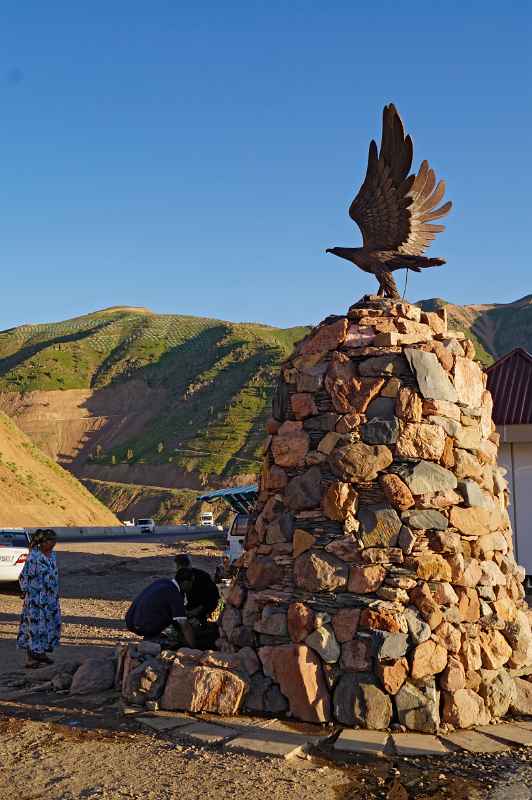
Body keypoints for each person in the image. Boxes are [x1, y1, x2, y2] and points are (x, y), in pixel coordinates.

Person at [17, 528, 61, 669]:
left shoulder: (53, 555)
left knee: (47, 626)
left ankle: (39, 654)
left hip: (51, 598)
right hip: (36, 599)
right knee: (34, 627)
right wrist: (25, 591)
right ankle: (33, 657)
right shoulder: (34, 557)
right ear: (42, 542)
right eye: (50, 541)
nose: (53, 544)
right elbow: (24, 576)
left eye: (54, 541)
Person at [125, 567, 196, 647]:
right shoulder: (174, 594)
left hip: (131, 620)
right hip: (142, 626)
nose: (192, 586)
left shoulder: (163, 582)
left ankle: (151, 637)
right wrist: (193, 649)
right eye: (192, 583)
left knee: (173, 616)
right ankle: (153, 639)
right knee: (174, 627)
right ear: (186, 582)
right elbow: (185, 626)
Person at [175, 554, 220, 625]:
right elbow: (180, 596)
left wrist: (198, 610)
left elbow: (213, 598)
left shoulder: (203, 577)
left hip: (207, 607)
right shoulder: (180, 577)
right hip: (192, 605)